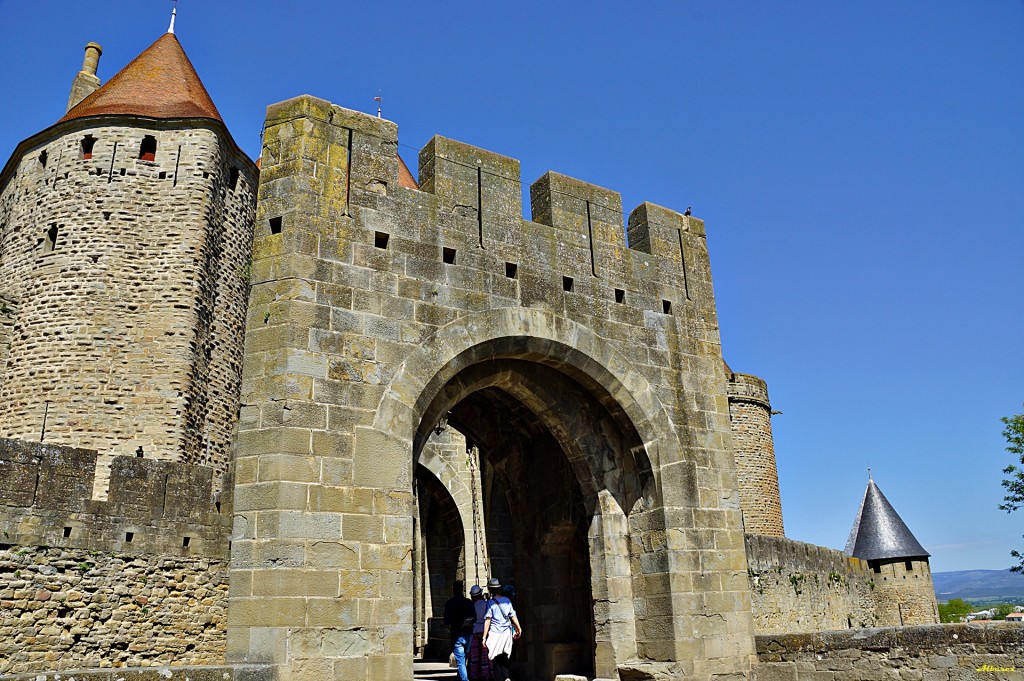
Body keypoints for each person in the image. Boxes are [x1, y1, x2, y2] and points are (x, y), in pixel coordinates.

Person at [481, 578, 521, 681]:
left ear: (490, 590)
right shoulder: (507, 600)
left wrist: (484, 637)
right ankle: (506, 676)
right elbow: (513, 616)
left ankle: (500, 678)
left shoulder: (490, 602)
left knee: (495, 659)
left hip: (495, 634)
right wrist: (519, 628)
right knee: (505, 656)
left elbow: (488, 620)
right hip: (506, 634)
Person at [443, 581, 475, 681]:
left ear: (453, 590)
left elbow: (447, 620)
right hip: (468, 634)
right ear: (462, 589)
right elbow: (475, 617)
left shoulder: (450, 603)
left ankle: (464, 679)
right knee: (464, 658)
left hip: (456, 634)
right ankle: (460, 676)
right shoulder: (469, 602)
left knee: (461, 661)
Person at [466, 584, 492, 681]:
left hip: (475, 631)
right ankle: (486, 675)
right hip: (485, 631)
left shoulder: (472, 606)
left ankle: (474, 675)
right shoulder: (486, 604)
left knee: (475, 656)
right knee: (485, 656)